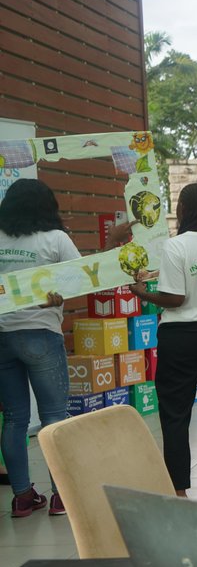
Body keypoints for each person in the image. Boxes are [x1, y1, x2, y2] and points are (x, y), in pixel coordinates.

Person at [129, 183, 197, 499]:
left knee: (176, 414)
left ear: (181, 208)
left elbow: (175, 299)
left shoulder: (175, 246)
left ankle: (178, 488)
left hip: (182, 338)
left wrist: (143, 293)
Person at [0, 178, 77, 517]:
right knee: (54, 417)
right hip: (41, 334)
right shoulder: (55, 239)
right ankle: (62, 495)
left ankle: (22, 496)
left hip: (2, 336)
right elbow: (81, 278)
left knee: (15, 419)